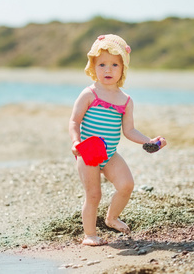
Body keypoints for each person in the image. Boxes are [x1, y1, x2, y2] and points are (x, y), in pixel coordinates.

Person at [68, 34, 166, 246]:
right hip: (89, 153)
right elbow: (74, 121)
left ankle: (111, 218)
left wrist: (148, 141)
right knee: (94, 194)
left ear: (123, 69)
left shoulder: (125, 100)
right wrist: (76, 142)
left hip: (110, 154)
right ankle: (90, 235)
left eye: (114, 64)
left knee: (127, 185)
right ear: (93, 67)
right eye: (102, 64)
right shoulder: (89, 94)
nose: (108, 69)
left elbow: (129, 130)